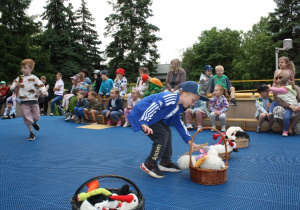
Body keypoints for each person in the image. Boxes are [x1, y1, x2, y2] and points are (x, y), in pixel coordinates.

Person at [127, 81, 201, 179]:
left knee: (167, 132)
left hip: (153, 119)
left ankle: (165, 162)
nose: (193, 103)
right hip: (143, 115)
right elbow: (153, 107)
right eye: (193, 100)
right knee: (161, 135)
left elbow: (180, 124)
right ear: (185, 94)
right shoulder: (169, 97)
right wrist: (144, 121)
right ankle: (150, 163)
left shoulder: (177, 107)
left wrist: (189, 141)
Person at [10, 59, 48, 141]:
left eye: (25, 68)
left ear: (31, 68)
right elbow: (12, 86)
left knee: (37, 116)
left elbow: (41, 85)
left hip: (33, 100)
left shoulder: (34, 78)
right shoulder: (20, 78)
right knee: (27, 117)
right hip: (24, 101)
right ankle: (31, 132)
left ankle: (34, 122)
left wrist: (44, 91)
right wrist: (14, 86)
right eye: (22, 68)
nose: (23, 69)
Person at [268, 70, 298, 136]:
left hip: (291, 105)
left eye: (280, 77)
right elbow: (279, 100)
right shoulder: (281, 87)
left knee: (286, 117)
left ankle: (285, 130)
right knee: (274, 103)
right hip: (285, 105)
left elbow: (279, 90)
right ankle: (270, 113)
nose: (277, 79)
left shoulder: (286, 88)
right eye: (276, 78)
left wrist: (271, 88)